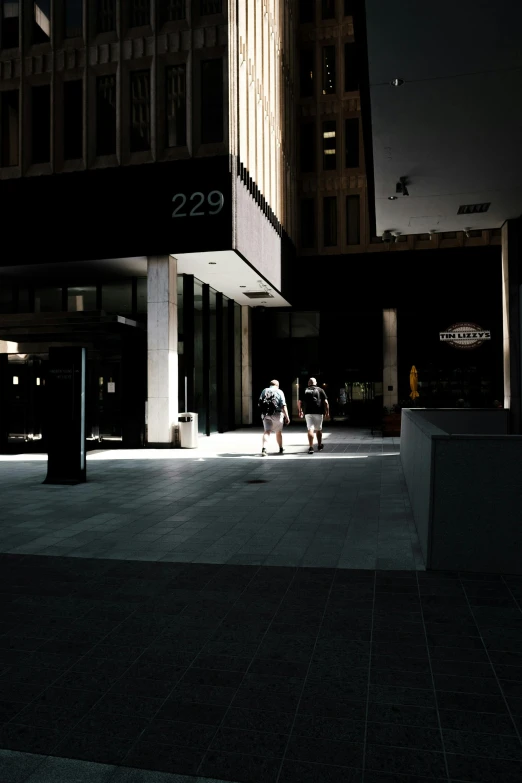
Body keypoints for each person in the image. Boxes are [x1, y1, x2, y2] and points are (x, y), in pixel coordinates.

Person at [298, 377, 330, 454]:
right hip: (319, 412)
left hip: (308, 412)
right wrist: (327, 412)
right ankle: (319, 445)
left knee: (310, 429)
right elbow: (326, 402)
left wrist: (300, 411)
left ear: (309, 383)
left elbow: (299, 402)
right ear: (315, 383)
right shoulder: (320, 390)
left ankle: (311, 447)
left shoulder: (305, 390)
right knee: (318, 429)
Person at [258, 379, 290, 456]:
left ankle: (264, 449)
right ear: (277, 385)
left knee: (267, 431)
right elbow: (283, 405)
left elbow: (259, 403)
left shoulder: (264, 390)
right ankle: (281, 448)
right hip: (277, 414)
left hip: (266, 414)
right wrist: (287, 417)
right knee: (278, 432)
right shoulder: (279, 391)